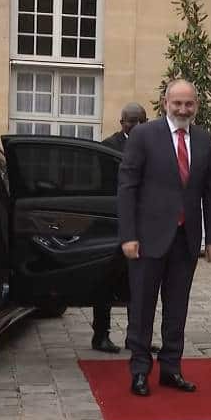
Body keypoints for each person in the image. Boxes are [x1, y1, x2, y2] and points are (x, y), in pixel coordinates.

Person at [118, 79, 211, 396]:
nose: (182, 109)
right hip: (147, 239)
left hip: (185, 239)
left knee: (177, 308)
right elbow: (127, 188)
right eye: (177, 103)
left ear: (196, 107)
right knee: (142, 307)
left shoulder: (205, 141)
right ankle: (139, 370)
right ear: (165, 103)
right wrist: (128, 235)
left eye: (189, 104)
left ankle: (171, 368)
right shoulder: (143, 136)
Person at [89, 102, 149, 354]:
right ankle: (100, 335)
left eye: (138, 121)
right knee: (105, 282)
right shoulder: (107, 147)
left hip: (143, 225)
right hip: (112, 224)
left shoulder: (153, 146)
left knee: (139, 284)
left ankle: (135, 338)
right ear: (121, 121)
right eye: (129, 121)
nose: (133, 126)